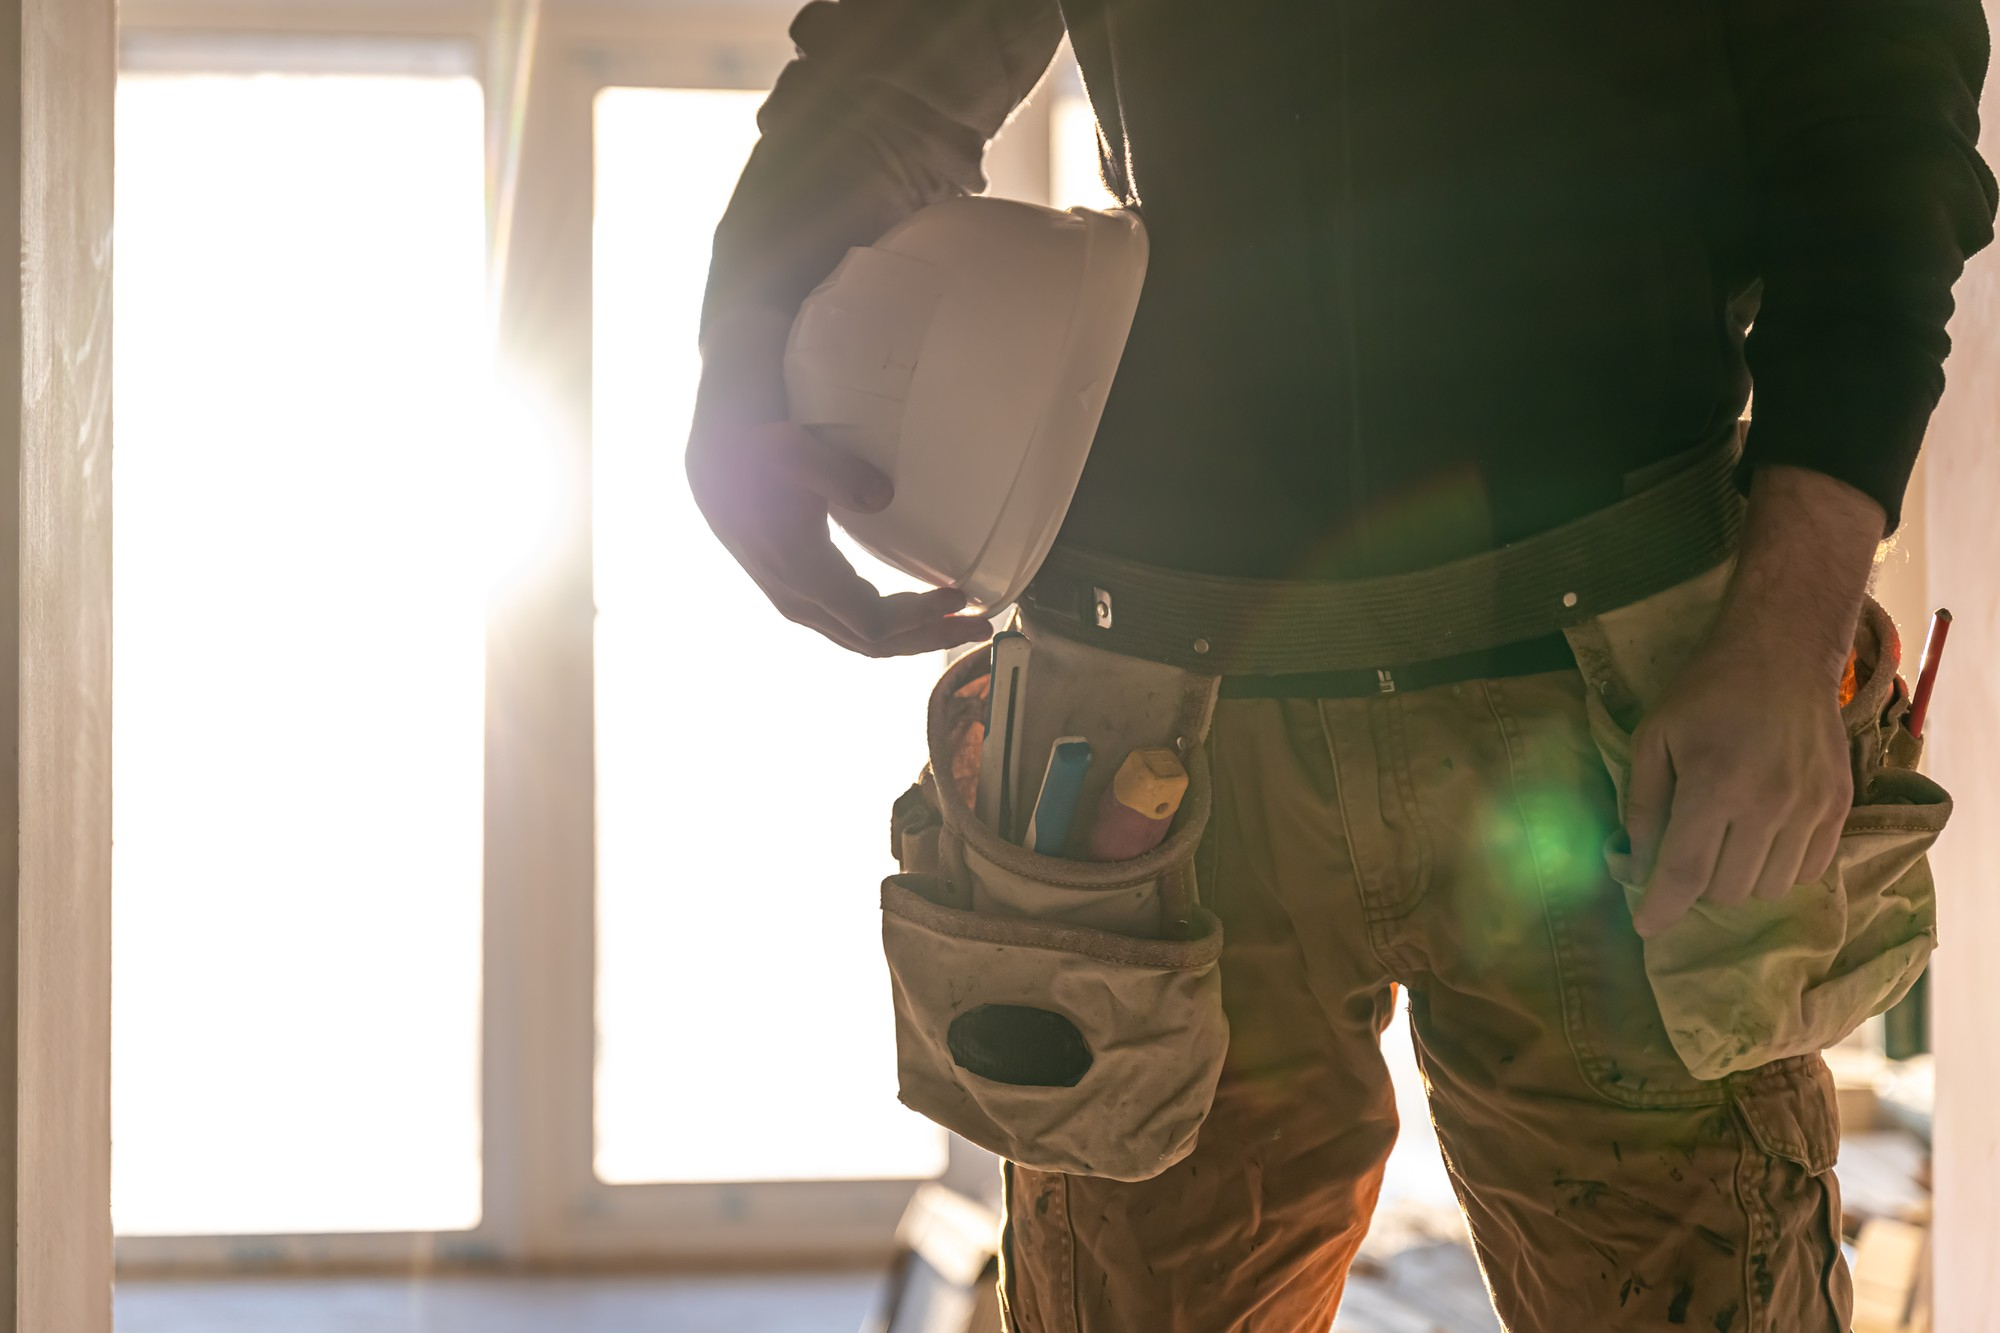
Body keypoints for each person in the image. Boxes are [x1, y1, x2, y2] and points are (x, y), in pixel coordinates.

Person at [686, 3, 1997, 1329]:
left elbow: (1878, 124)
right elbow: (900, 56)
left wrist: (1787, 630)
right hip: (1177, 723)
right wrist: (742, 348)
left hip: (1613, 702)